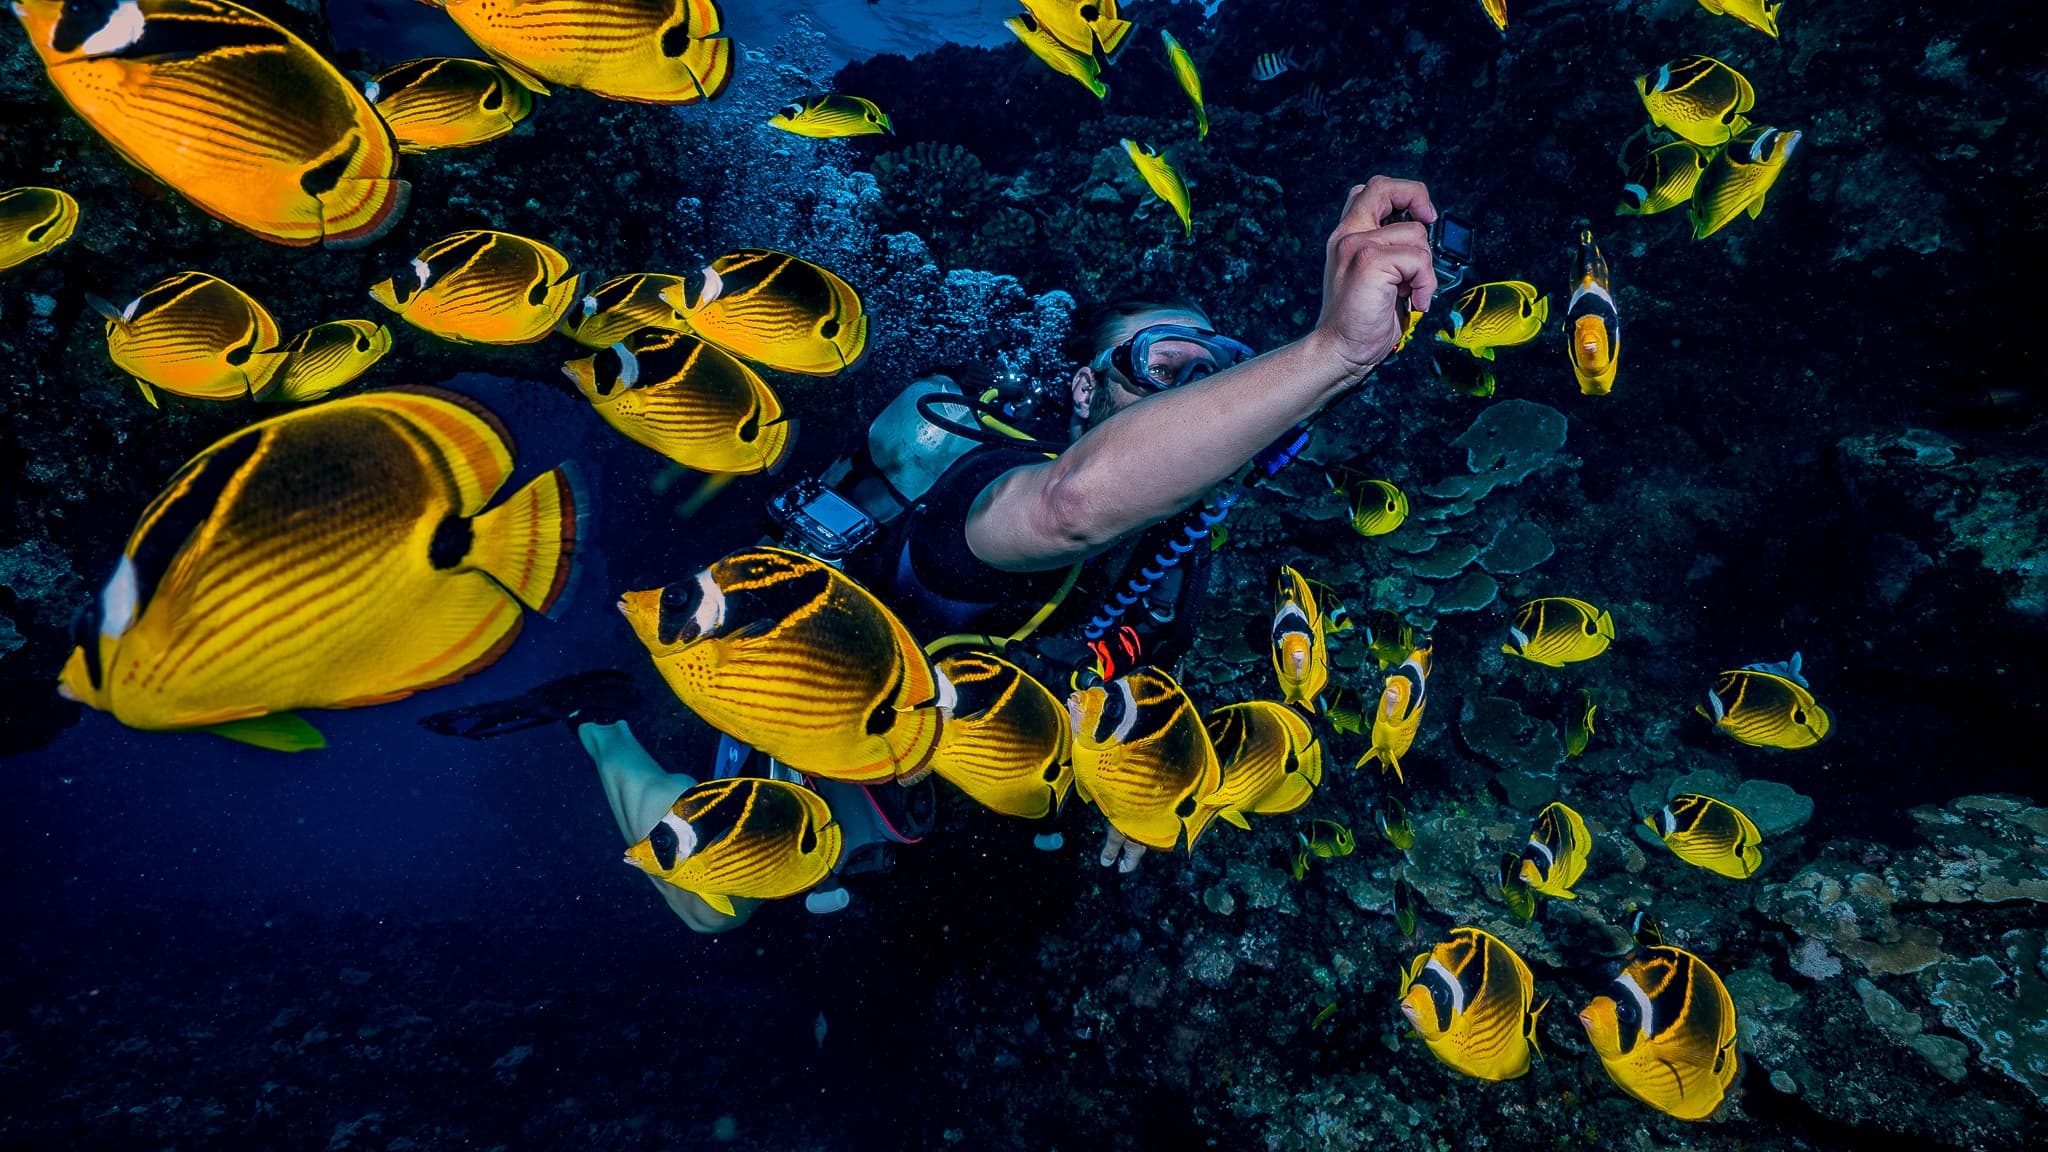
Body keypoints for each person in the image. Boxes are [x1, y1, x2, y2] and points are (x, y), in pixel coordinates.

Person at [434, 176, 1440, 931]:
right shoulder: (998, 482)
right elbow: (1071, 504)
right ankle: (601, 726)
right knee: (713, 905)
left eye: (1220, 375)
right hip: (811, 708)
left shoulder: (1182, 549)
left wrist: (1145, 798)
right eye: (1166, 370)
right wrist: (1325, 353)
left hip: (957, 752)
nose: (1198, 399)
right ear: (1085, 391)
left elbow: (1134, 668)